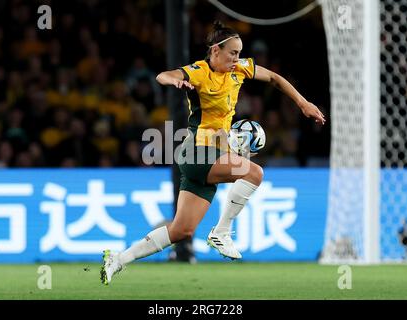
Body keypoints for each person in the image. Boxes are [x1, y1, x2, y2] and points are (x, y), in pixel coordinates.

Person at [100, 21, 325, 285]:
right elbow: (165, 75)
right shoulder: (200, 71)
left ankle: (118, 259)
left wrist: (303, 102)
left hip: (208, 156)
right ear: (215, 51)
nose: (237, 59)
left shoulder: (239, 70)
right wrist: (175, 80)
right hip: (198, 151)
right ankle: (222, 232)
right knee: (253, 172)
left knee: (181, 230)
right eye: (232, 53)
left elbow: (274, 78)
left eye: (239, 53)